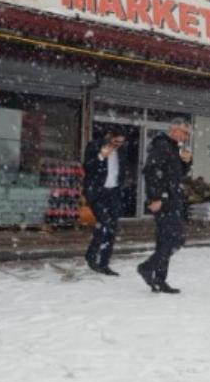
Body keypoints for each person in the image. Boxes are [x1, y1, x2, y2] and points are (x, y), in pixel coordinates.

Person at [137, 118, 192, 294]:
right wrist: (155, 197)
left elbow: (177, 174)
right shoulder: (162, 146)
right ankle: (147, 267)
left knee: (165, 241)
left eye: (187, 133)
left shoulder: (173, 147)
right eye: (184, 132)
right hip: (164, 200)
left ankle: (160, 279)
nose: (186, 136)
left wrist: (185, 162)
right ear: (173, 130)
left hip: (172, 198)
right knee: (176, 238)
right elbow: (150, 171)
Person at [82, 126, 127, 276]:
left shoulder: (122, 150)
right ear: (109, 136)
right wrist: (101, 156)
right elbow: (87, 167)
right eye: (116, 141)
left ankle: (104, 263)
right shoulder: (94, 146)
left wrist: (121, 186)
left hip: (113, 191)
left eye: (121, 142)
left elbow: (122, 169)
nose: (118, 145)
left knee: (112, 227)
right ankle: (91, 254)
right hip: (97, 192)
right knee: (104, 222)